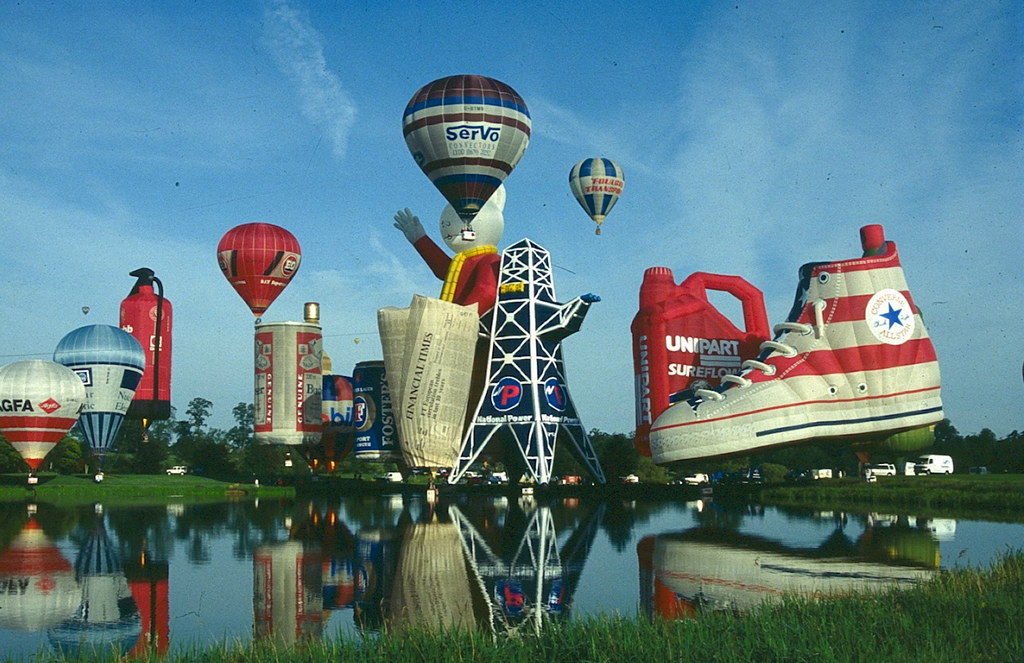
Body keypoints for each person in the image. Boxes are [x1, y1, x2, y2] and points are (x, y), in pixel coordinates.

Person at [392, 186, 506, 315]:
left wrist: (459, 316)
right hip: (455, 322)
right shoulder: (461, 262)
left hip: (473, 325)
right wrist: (419, 238)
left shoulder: (491, 260)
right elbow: (443, 270)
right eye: (446, 223)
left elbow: (486, 291)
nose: (447, 226)